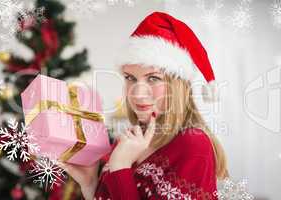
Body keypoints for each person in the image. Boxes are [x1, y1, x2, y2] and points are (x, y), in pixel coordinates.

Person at [58, 11, 229, 200]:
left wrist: (121, 167)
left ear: (178, 86)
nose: (137, 93)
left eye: (153, 78)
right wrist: (90, 186)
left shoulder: (193, 146)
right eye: (130, 78)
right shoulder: (128, 141)